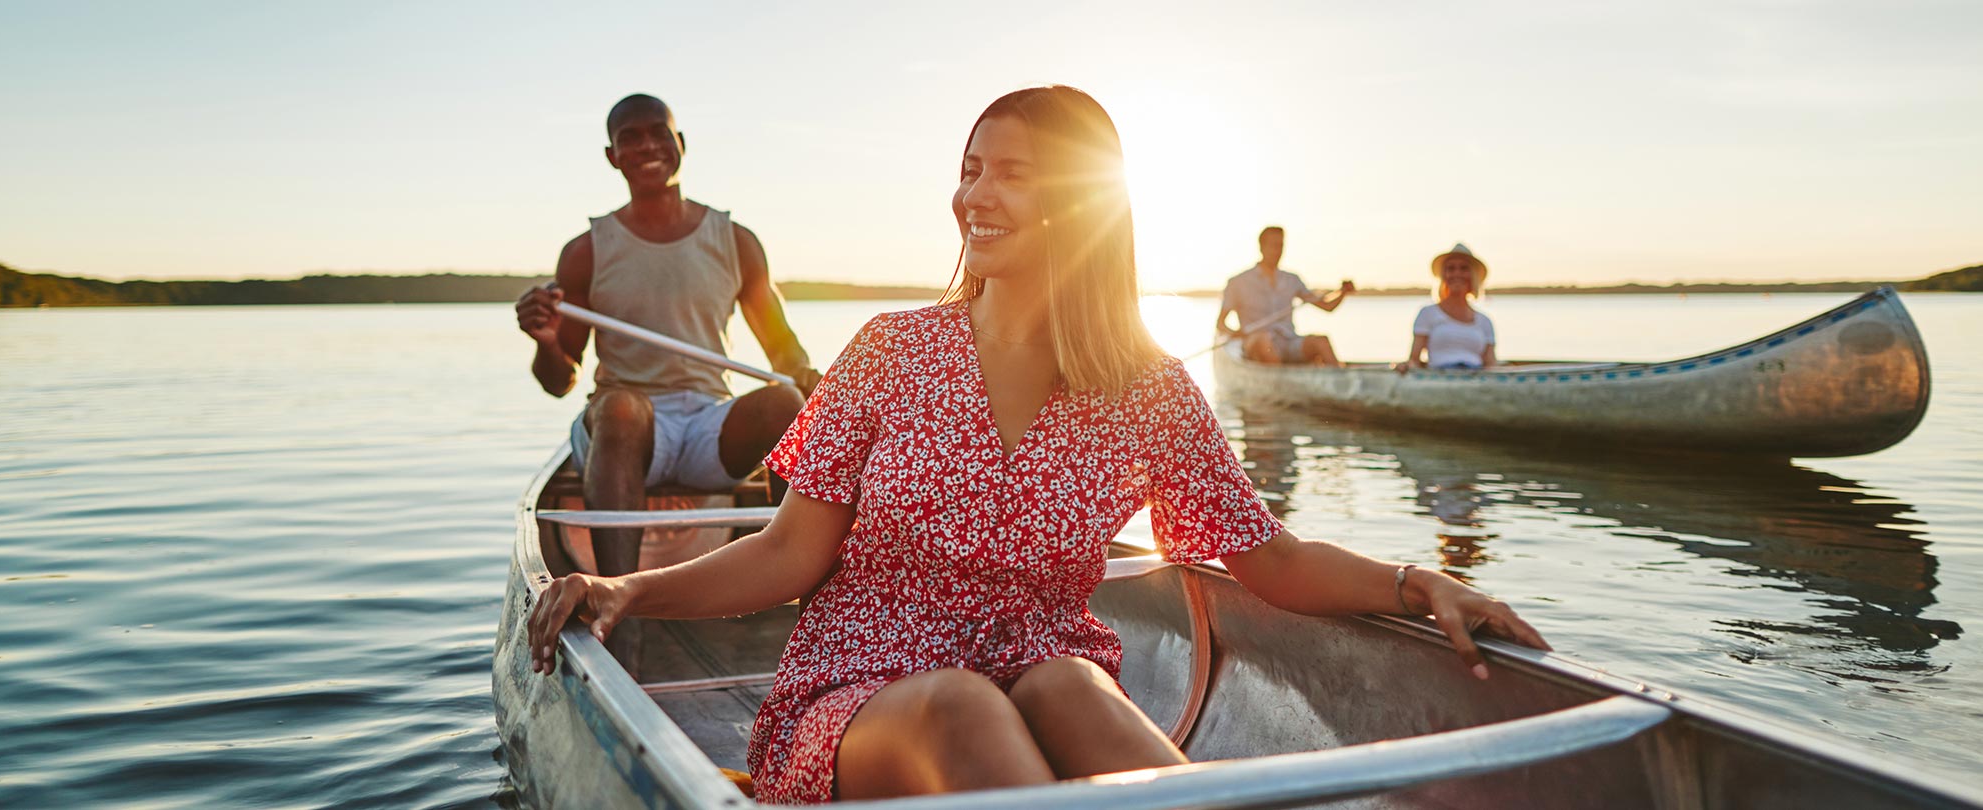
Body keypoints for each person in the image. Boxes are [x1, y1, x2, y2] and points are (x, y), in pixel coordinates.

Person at [528, 86, 1550, 804]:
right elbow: (793, 552)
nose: (974, 195)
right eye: (969, 170)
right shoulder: (891, 350)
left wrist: (1420, 583)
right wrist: (632, 593)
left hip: (1040, 669)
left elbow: (1271, 560)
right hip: (863, 694)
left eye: (1008, 174)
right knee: (965, 705)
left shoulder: (1145, 386)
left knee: (1071, 683)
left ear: (1079, 202)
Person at [513, 94, 822, 579]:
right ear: (612, 157)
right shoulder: (586, 251)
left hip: (707, 428)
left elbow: (784, 352)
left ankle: (800, 591)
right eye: (629, 138)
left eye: (659, 133)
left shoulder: (736, 241)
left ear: (680, 143)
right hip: (625, 434)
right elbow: (559, 382)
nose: (647, 146)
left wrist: (805, 378)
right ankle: (615, 605)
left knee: (784, 402)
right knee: (620, 406)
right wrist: (547, 342)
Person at [1214, 226, 1354, 365]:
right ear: (1261, 247)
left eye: (1281, 245)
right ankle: (1279, 382)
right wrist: (1233, 333)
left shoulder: (1291, 280)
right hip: (1256, 343)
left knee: (1321, 341)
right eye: (1273, 246)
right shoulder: (1239, 282)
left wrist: (1343, 292)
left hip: (1289, 341)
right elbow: (1221, 324)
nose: (1278, 251)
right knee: (1263, 341)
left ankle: (1341, 381)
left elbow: (1327, 306)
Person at [1400, 243, 1496, 372]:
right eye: (1451, 268)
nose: (1457, 273)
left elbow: (1491, 365)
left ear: (1473, 275)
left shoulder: (1484, 321)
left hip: (1476, 378)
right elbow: (1414, 360)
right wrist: (1405, 367)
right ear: (1443, 275)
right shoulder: (1428, 313)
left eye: (1464, 268)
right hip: (1439, 377)